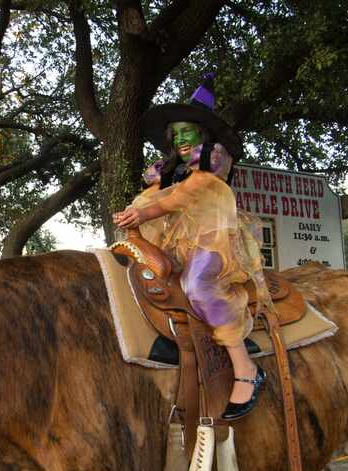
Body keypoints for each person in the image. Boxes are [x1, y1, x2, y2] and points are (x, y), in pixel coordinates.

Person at [112, 74, 272, 421]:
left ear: (204, 135)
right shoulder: (171, 172)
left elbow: (179, 199)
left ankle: (246, 367)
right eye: (177, 134)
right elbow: (154, 197)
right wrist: (132, 214)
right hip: (181, 243)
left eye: (189, 132)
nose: (183, 140)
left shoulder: (211, 162)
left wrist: (144, 211)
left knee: (198, 285)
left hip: (214, 238)